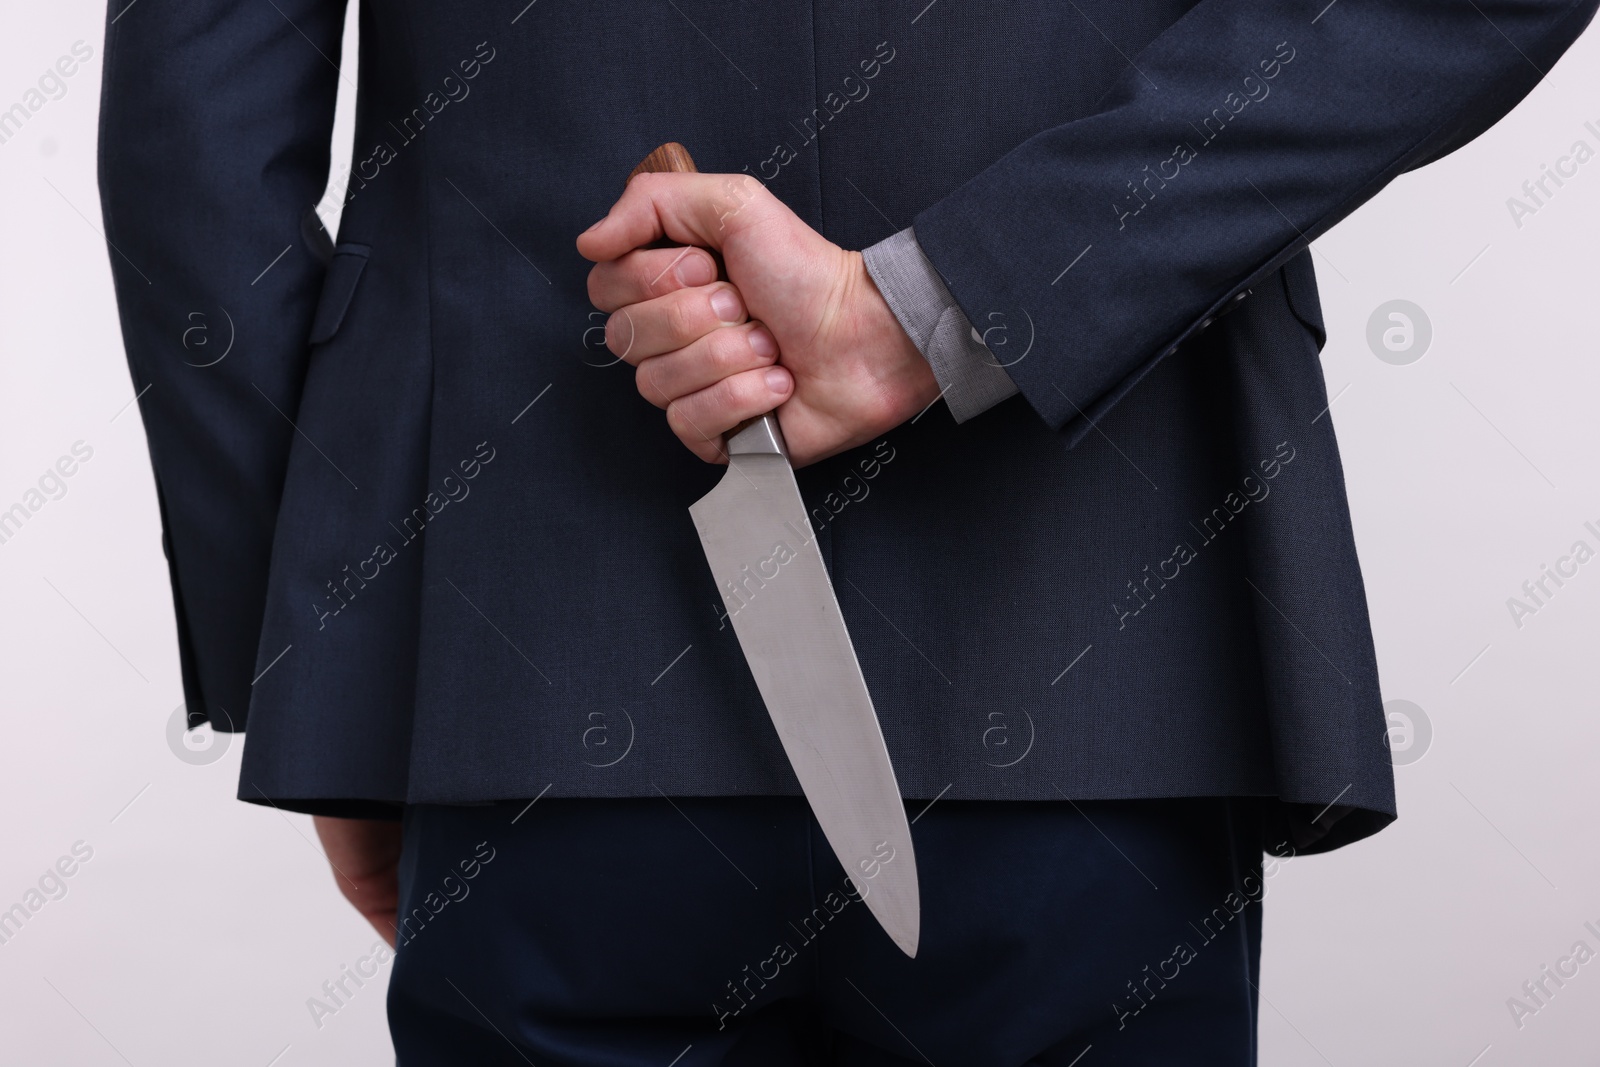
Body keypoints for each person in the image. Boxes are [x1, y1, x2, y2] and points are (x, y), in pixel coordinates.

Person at [98, 0, 1595, 1062]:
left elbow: (194, 142)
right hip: (1104, 644)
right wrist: (968, 297)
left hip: (525, 676)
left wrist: (319, 671)